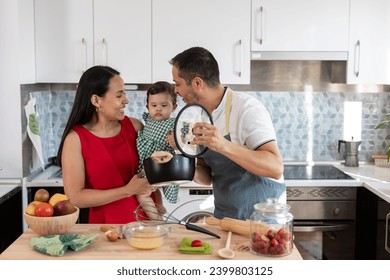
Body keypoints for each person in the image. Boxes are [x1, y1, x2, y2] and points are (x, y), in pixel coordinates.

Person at [169, 47, 286, 220]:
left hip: (263, 221)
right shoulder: (197, 115)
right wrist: (182, 166)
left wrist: (223, 145)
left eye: (177, 84)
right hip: (225, 219)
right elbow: (207, 176)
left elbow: (275, 167)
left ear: (197, 83)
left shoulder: (246, 108)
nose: (175, 91)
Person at [57, 65, 154, 224]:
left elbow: (149, 176)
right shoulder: (75, 140)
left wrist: (159, 212)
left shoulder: (135, 127)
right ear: (96, 100)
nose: (126, 100)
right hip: (105, 230)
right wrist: (127, 191)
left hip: (146, 227)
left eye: (125, 93)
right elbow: (75, 198)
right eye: (119, 95)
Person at [136, 81, 179, 219]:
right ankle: (159, 207)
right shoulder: (148, 120)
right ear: (147, 106)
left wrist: (176, 144)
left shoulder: (174, 125)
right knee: (152, 189)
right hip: (149, 163)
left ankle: (156, 219)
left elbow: (184, 144)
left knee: (141, 193)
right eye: (154, 105)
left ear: (174, 107)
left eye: (164, 105)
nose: (158, 109)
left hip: (161, 164)